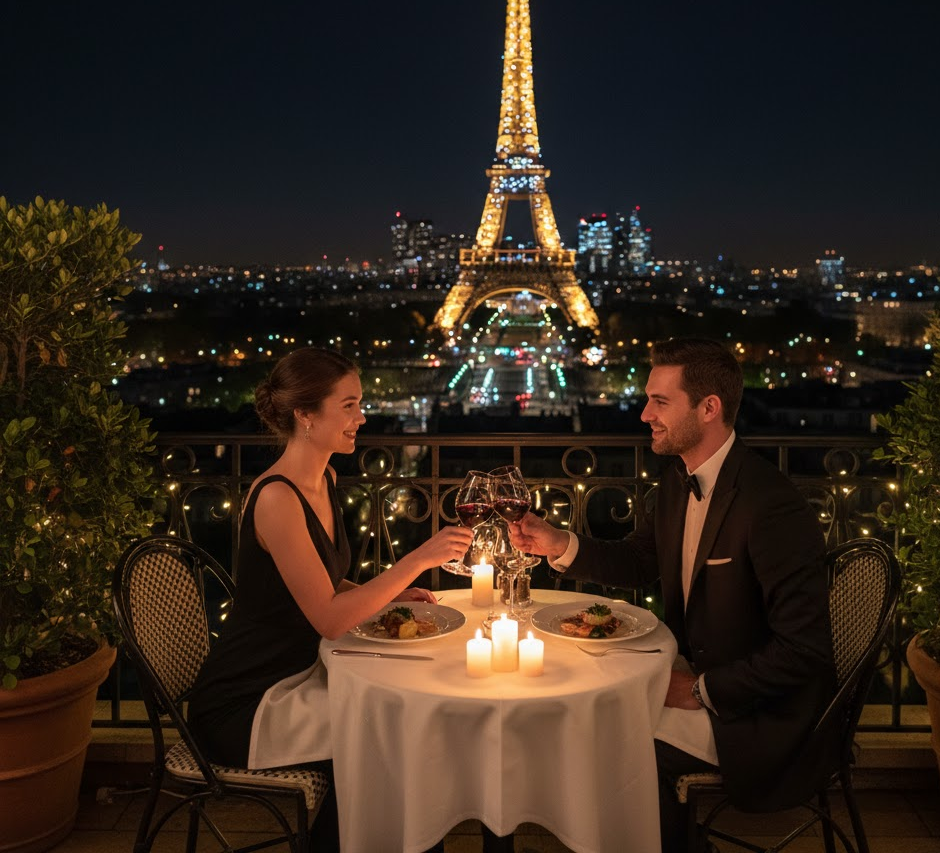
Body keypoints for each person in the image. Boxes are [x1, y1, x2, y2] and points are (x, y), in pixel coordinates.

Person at [509, 337, 836, 853]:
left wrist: (702, 689)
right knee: (589, 729)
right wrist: (558, 543)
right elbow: (640, 562)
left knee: (607, 746)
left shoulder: (771, 505)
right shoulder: (679, 479)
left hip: (757, 717)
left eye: (660, 402)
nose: (643, 415)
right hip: (702, 680)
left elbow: (806, 649)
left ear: (710, 409)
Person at [188, 348, 473, 853]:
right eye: (349, 405)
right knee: (392, 737)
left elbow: (325, 586)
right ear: (305, 414)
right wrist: (418, 557)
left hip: (295, 676)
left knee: (397, 734)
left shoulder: (324, 480)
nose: (362, 417)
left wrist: (386, 597)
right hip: (248, 700)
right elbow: (329, 619)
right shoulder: (277, 499)